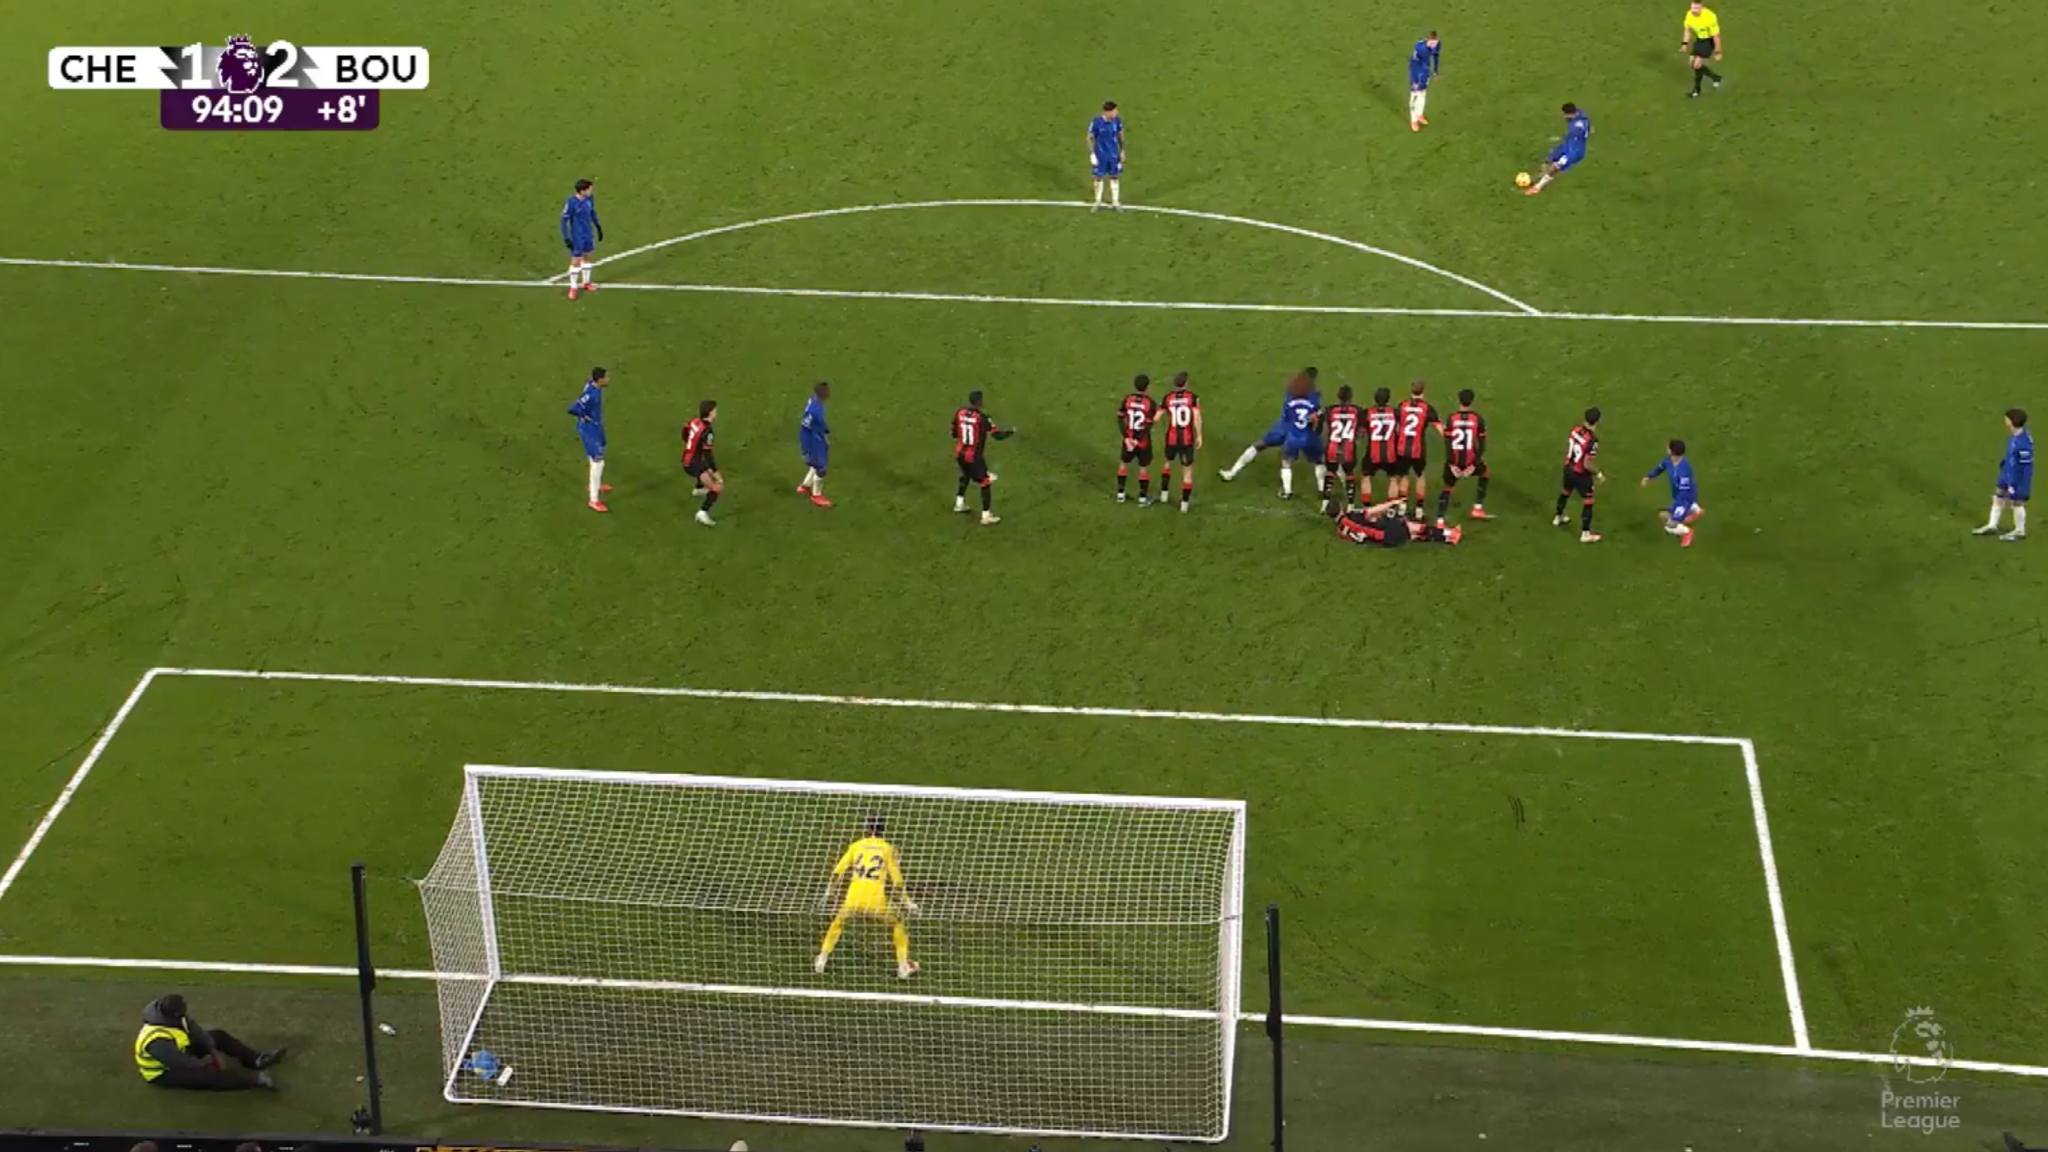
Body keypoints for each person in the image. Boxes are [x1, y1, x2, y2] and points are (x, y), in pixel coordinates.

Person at [815, 816, 920, 979]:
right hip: (876, 901)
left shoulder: (856, 846)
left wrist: (829, 892)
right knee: (897, 923)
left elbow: (837, 872)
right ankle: (903, 966)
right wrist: (908, 902)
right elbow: (897, 881)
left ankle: (822, 959)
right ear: (883, 830)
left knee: (838, 922)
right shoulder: (888, 849)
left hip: (853, 898)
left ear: (867, 829)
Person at [135, 993, 284, 1090]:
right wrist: (206, 1064)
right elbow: (181, 1062)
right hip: (164, 1072)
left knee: (217, 1035)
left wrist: (213, 1052)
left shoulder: (176, 1016)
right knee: (207, 1078)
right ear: (169, 1017)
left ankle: (255, 1059)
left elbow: (197, 1031)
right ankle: (256, 1081)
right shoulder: (156, 1040)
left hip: (181, 1051)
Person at [1220, 368, 1322, 499]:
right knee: (1318, 460)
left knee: (1259, 446)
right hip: (1303, 433)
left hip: (1283, 428)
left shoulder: (1291, 391)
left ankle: (1232, 473)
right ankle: (1322, 489)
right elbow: (1315, 416)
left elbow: (1288, 411)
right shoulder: (1314, 396)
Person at [953, 390, 1011, 525]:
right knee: (985, 482)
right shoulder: (982, 418)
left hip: (960, 453)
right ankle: (986, 515)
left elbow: (954, 431)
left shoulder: (960, 412)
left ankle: (959, 502)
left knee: (965, 475)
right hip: (974, 457)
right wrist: (1011, 432)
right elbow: (997, 436)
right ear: (979, 402)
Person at [1974, 408, 2033, 541]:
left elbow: (2025, 466)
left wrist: (2015, 484)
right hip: (2007, 471)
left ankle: (2019, 531)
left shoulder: (2023, 443)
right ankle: (1992, 525)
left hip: (2018, 477)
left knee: (2017, 502)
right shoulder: (2016, 436)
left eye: (2006, 419)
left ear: (2011, 422)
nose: (2005, 421)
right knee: (1998, 495)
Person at [1436, 389, 1490, 525]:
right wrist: (1473, 465)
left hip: (1454, 460)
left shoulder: (1451, 419)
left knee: (1447, 487)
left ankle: (1440, 520)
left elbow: (1447, 443)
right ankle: (1477, 508)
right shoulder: (1478, 420)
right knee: (1485, 474)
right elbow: (1482, 445)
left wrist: (1451, 464)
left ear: (1458, 401)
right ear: (1472, 401)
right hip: (1471, 461)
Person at [1554, 407, 1604, 543]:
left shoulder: (1575, 430)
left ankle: (1559, 516)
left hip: (1568, 468)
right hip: (1580, 474)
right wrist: (1598, 474)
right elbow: (1587, 463)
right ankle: (1585, 533)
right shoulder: (1593, 440)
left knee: (1565, 492)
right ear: (1597, 421)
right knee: (1589, 501)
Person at [1392, 380, 1441, 512]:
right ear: (1423, 391)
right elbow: (1439, 427)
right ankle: (1419, 509)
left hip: (1402, 448)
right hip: (1418, 449)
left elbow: (1396, 427)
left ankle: (1402, 506)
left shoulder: (1402, 405)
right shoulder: (1427, 408)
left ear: (1411, 390)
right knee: (1420, 476)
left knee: (1403, 476)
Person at [566, 368, 611, 513]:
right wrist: (584, 416)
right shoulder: (591, 394)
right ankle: (594, 500)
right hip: (589, 428)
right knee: (598, 461)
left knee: (597, 455)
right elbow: (573, 408)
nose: (608, 379)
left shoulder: (593, 386)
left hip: (596, 426)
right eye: (606, 377)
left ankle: (595, 485)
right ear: (599, 380)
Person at [1643, 439, 1703, 546]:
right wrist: (1649, 477)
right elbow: (1660, 468)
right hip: (1680, 496)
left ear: (1671, 451)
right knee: (1665, 515)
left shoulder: (1684, 469)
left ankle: (1687, 532)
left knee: (1669, 524)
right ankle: (1696, 511)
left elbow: (1684, 492)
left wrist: (1677, 506)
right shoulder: (1669, 461)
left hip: (1684, 499)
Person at [1158, 372, 1203, 512]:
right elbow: (1196, 417)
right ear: (1186, 383)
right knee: (1187, 472)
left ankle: (1164, 494)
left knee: (1167, 464)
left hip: (1171, 438)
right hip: (1187, 439)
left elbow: (1157, 417)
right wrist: (1199, 435)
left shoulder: (1168, 398)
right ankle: (1184, 505)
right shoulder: (1192, 398)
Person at [1524, 104, 1592, 196]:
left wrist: (1560, 138)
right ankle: (1543, 174)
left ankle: (1538, 187)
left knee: (1556, 168)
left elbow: (1576, 133)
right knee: (1550, 158)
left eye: (1565, 115)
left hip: (1574, 151)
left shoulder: (1577, 127)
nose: (1564, 117)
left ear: (1570, 114)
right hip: (1568, 145)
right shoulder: (1580, 114)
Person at [1330, 499, 1460, 547]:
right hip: (1385, 533)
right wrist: (1392, 503)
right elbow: (1373, 510)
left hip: (1381, 543)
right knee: (1416, 528)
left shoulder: (1340, 531)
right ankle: (1450, 533)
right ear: (1340, 508)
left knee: (1414, 535)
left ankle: (1447, 540)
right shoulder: (1352, 515)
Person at [1318, 385, 1364, 513]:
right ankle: (1350, 505)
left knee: (1330, 472)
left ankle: (1324, 504)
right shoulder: (1357, 410)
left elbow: (1320, 419)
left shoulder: (1330, 410)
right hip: (1348, 447)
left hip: (1333, 446)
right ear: (1351, 397)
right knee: (1349, 473)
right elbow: (1362, 428)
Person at [1115, 374, 1159, 505]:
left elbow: (1120, 418)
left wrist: (1127, 438)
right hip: (1142, 441)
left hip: (1128, 439)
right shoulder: (1150, 403)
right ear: (1147, 387)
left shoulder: (1128, 399)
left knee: (1123, 464)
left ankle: (1120, 495)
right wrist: (1137, 440)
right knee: (1144, 467)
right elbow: (1148, 425)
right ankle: (1142, 498)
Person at [559, 179, 603, 299]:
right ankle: (573, 287)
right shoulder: (571, 202)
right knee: (576, 260)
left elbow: (592, 212)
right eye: (589, 189)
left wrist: (598, 226)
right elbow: (564, 221)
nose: (591, 190)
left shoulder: (589, 199)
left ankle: (586, 283)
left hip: (588, 233)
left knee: (587, 256)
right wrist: (566, 237)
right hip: (577, 235)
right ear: (582, 191)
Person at [681, 400, 722, 527]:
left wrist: (689, 443)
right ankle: (702, 513)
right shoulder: (707, 431)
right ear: (710, 413)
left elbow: (685, 430)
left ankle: (699, 489)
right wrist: (715, 472)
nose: (716, 413)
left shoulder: (695, 421)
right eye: (714, 410)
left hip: (686, 458)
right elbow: (708, 454)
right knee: (717, 487)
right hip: (693, 464)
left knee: (702, 466)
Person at [1361, 386, 1400, 507]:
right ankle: (1391, 507)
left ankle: (1367, 507)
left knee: (1367, 477)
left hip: (1373, 451)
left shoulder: (1368, 413)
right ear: (1388, 400)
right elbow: (1398, 429)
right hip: (1390, 452)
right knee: (1393, 478)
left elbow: (1362, 431)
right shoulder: (1394, 412)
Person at [797, 382, 833, 508]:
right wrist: (827, 437)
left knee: (814, 463)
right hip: (813, 440)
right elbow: (821, 427)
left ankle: (805, 486)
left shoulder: (811, 401)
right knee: (821, 468)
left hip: (805, 436)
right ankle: (816, 495)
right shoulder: (817, 410)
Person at [1682, 2, 1725, 98]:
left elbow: (1716, 36)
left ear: (1701, 7)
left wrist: (1718, 51)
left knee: (1697, 65)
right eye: (1692, 8)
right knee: (1692, 64)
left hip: (1709, 41)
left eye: (1696, 8)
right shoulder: (1689, 14)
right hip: (1699, 40)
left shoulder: (1710, 17)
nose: (1694, 10)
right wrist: (1685, 43)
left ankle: (1696, 91)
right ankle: (1716, 78)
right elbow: (1687, 30)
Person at [1088, 102, 1124, 212]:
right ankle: (1098, 201)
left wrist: (1122, 151)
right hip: (1101, 155)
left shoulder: (1117, 120)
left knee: (1114, 176)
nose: (1116, 113)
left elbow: (1120, 136)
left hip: (1114, 154)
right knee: (1098, 177)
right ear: (1108, 112)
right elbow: (1089, 138)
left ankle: (1115, 201)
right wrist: (1092, 153)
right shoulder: (1096, 122)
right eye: (1114, 111)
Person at [1409, 32, 1442, 131]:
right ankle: (1413, 120)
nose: (1433, 45)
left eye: (1435, 43)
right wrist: (1415, 80)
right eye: (1432, 43)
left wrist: (1435, 70)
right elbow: (1414, 65)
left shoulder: (1437, 45)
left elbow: (1436, 56)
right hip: (1416, 70)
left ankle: (1419, 114)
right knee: (1415, 95)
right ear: (1427, 40)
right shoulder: (1420, 48)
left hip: (1425, 70)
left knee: (1423, 93)